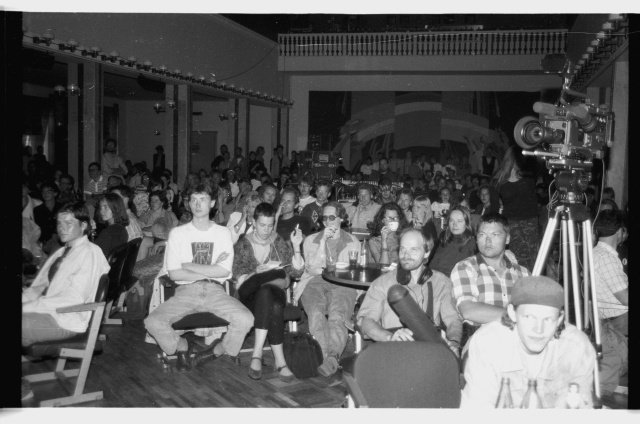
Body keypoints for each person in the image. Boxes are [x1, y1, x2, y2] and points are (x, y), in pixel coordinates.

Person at [144, 183, 254, 371]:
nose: (197, 204)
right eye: (193, 200)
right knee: (152, 322)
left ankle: (217, 350)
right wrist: (211, 267)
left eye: (202, 199)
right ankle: (182, 346)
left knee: (246, 319)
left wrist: (188, 265)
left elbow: (224, 271)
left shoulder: (222, 233)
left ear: (212, 203)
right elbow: (174, 273)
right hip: (185, 291)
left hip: (215, 291)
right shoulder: (177, 234)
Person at [461, 276, 596, 408]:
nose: (539, 329)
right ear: (512, 313)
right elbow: (478, 411)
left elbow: (578, 412)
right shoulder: (489, 343)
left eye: (548, 319)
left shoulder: (575, 347)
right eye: (529, 317)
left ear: (560, 319)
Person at [358, 228, 463, 353]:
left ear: (426, 252)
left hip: (429, 351)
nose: (406, 255)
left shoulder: (441, 282)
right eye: (403, 249)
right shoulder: (382, 283)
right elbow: (365, 322)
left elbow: (452, 319)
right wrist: (389, 337)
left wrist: (454, 342)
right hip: (395, 350)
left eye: (413, 249)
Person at [232, 203, 305, 382]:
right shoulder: (243, 244)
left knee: (268, 292)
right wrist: (256, 273)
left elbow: (296, 273)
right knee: (269, 292)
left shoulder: (278, 241)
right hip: (250, 296)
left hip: (273, 293)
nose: (266, 230)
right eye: (262, 225)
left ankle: (257, 354)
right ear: (253, 222)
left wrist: (296, 247)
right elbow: (238, 279)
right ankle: (280, 361)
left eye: (270, 225)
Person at [23, 202, 110, 347]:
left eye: (68, 223)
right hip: (49, 311)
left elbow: (74, 298)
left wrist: (31, 306)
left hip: (66, 319)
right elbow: (40, 286)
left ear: (83, 225)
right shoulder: (61, 251)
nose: (61, 228)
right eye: (59, 223)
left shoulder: (90, 252)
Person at [294, 201, 361, 384]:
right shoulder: (311, 240)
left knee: (337, 314)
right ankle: (330, 357)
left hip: (343, 283)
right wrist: (323, 241)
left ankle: (330, 357)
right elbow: (312, 269)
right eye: (325, 217)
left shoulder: (352, 241)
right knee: (315, 312)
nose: (328, 221)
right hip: (314, 282)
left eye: (332, 217)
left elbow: (352, 272)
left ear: (341, 218)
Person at [450, 213, 530, 349]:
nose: (487, 241)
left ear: (507, 239)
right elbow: (469, 310)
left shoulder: (523, 273)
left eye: (495, 235)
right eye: (482, 235)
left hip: (520, 344)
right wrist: (519, 317)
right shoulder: (466, 267)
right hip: (481, 345)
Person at [592, 210, 628, 396]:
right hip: (618, 318)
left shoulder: (597, 253)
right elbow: (626, 298)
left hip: (608, 318)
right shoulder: (606, 259)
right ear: (620, 231)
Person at [492, 146, 539, 272]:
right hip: (511, 223)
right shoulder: (499, 180)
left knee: (532, 258)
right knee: (515, 258)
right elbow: (495, 207)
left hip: (530, 222)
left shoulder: (528, 177)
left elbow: (533, 204)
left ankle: (532, 286)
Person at [429, 205, 477, 277]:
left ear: (466, 223)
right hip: (437, 280)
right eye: (451, 220)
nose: (454, 224)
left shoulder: (472, 244)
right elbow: (432, 265)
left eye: (459, 221)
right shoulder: (444, 239)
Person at [138, 190, 179, 259]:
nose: (153, 203)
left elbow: (172, 233)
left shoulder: (169, 214)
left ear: (162, 202)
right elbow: (138, 227)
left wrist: (146, 229)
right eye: (151, 200)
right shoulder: (147, 214)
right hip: (148, 241)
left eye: (156, 200)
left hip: (163, 242)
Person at [94, 193, 130, 257]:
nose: (101, 211)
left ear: (116, 208)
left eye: (105, 207)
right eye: (100, 207)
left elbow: (93, 254)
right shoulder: (121, 229)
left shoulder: (108, 232)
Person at [33, 182, 62, 253]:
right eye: (43, 191)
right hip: (46, 242)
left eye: (48, 191)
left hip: (61, 239)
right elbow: (39, 228)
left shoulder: (62, 207)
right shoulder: (37, 210)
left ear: (55, 193)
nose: (45, 193)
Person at [411, 195, 439, 261]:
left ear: (426, 210)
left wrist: (419, 225)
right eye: (413, 206)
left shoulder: (429, 226)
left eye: (418, 207)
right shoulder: (411, 223)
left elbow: (428, 250)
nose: (414, 209)